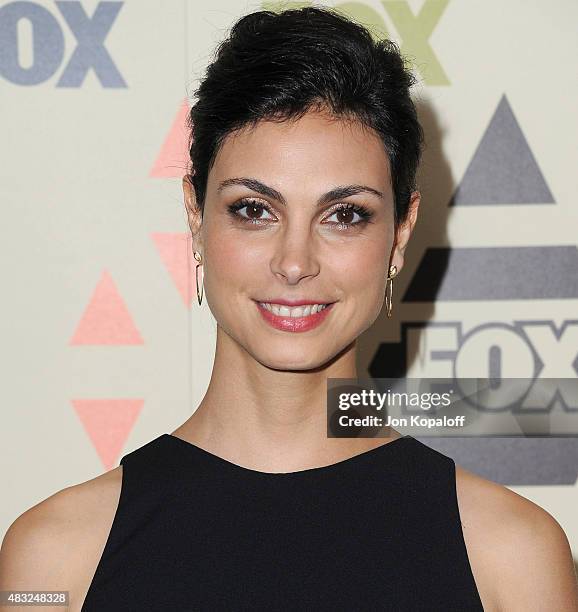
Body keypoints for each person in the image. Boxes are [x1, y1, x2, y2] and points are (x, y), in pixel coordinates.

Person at [1, 6, 577, 611]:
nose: (294, 261)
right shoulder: (55, 560)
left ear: (399, 235)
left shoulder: (512, 558)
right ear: (195, 216)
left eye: (345, 215)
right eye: (254, 209)